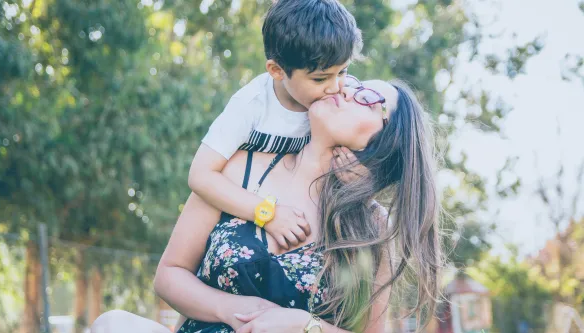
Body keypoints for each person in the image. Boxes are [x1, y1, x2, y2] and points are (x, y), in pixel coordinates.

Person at [91, 78, 442, 333]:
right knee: (113, 325)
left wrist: (303, 325)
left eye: (368, 96)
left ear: (385, 140)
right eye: (354, 81)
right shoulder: (236, 167)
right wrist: (236, 309)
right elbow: (169, 274)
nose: (346, 88)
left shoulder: (371, 226)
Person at [188, 0, 363, 251]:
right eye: (320, 78)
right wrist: (267, 214)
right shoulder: (250, 106)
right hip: (245, 223)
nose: (336, 87)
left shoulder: (346, 94)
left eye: (343, 71)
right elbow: (200, 175)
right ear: (277, 70)